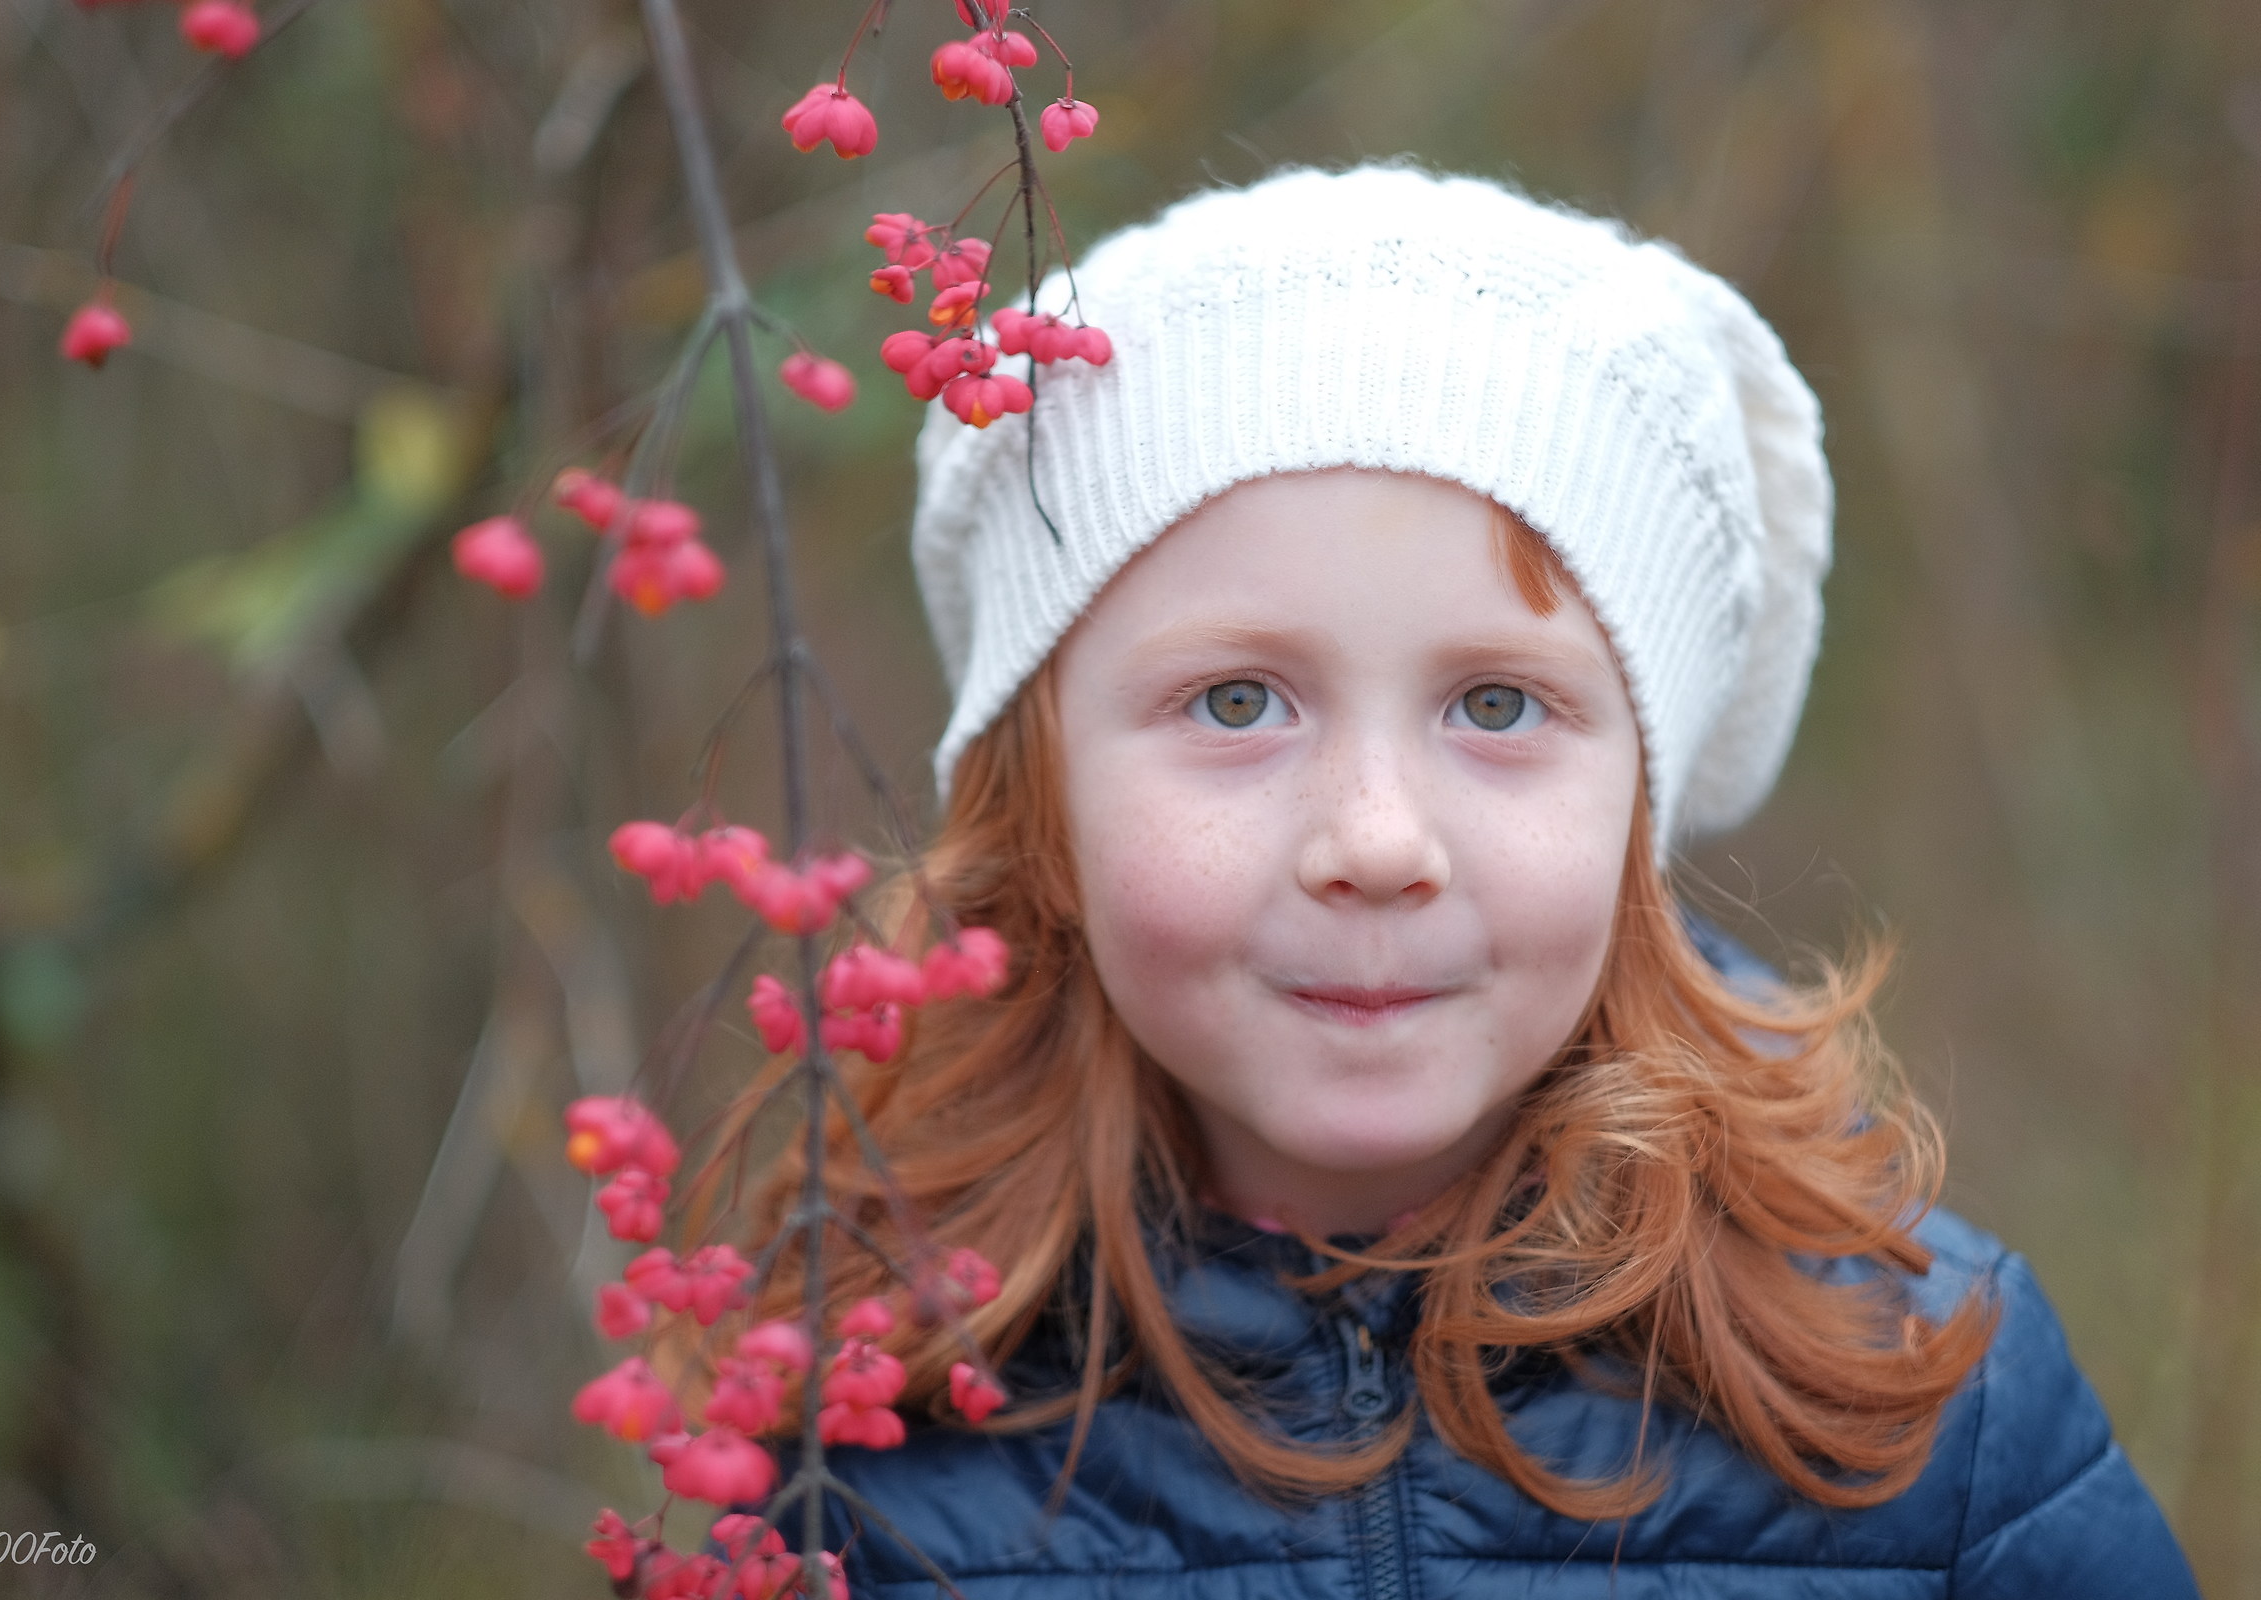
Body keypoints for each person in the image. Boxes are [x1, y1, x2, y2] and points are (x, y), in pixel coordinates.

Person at [736, 164, 2198, 1596]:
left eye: (1496, 707)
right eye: (1238, 703)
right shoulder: (854, 1444)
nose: (1377, 843)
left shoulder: (1920, 1402)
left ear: (1642, 802)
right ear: (1040, 796)